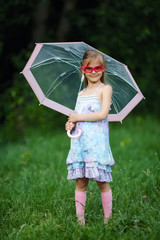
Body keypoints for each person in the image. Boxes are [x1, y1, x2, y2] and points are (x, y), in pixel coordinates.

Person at [65, 49, 115, 225]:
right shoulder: (80, 94)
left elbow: (102, 114)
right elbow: (78, 118)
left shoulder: (105, 89)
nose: (93, 72)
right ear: (82, 70)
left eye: (97, 68)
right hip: (81, 143)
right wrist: (71, 123)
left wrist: (79, 117)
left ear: (103, 68)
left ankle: (108, 220)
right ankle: (80, 222)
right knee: (81, 182)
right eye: (89, 69)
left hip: (97, 145)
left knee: (102, 181)